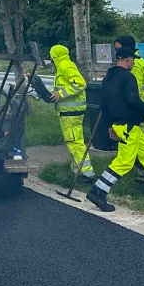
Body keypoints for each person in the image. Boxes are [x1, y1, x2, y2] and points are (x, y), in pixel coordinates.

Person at [87, 47, 144, 212]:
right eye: (133, 59)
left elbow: (104, 106)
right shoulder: (128, 77)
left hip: (122, 126)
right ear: (127, 59)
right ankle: (97, 191)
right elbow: (133, 101)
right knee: (124, 162)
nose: (134, 62)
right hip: (129, 126)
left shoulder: (107, 79)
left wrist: (109, 126)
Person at [48, 45, 95, 183]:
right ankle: (77, 171)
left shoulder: (65, 66)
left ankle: (87, 174)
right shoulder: (63, 66)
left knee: (75, 143)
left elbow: (80, 84)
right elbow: (61, 87)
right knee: (73, 142)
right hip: (69, 112)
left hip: (71, 113)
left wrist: (60, 94)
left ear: (54, 56)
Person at [114, 34, 144, 182]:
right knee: (139, 145)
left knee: (140, 146)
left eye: (119, 49)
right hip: (141, 109)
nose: (117, 54)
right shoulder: (134, 61)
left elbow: (132, 93)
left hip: (140, 110)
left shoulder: (134, 64)